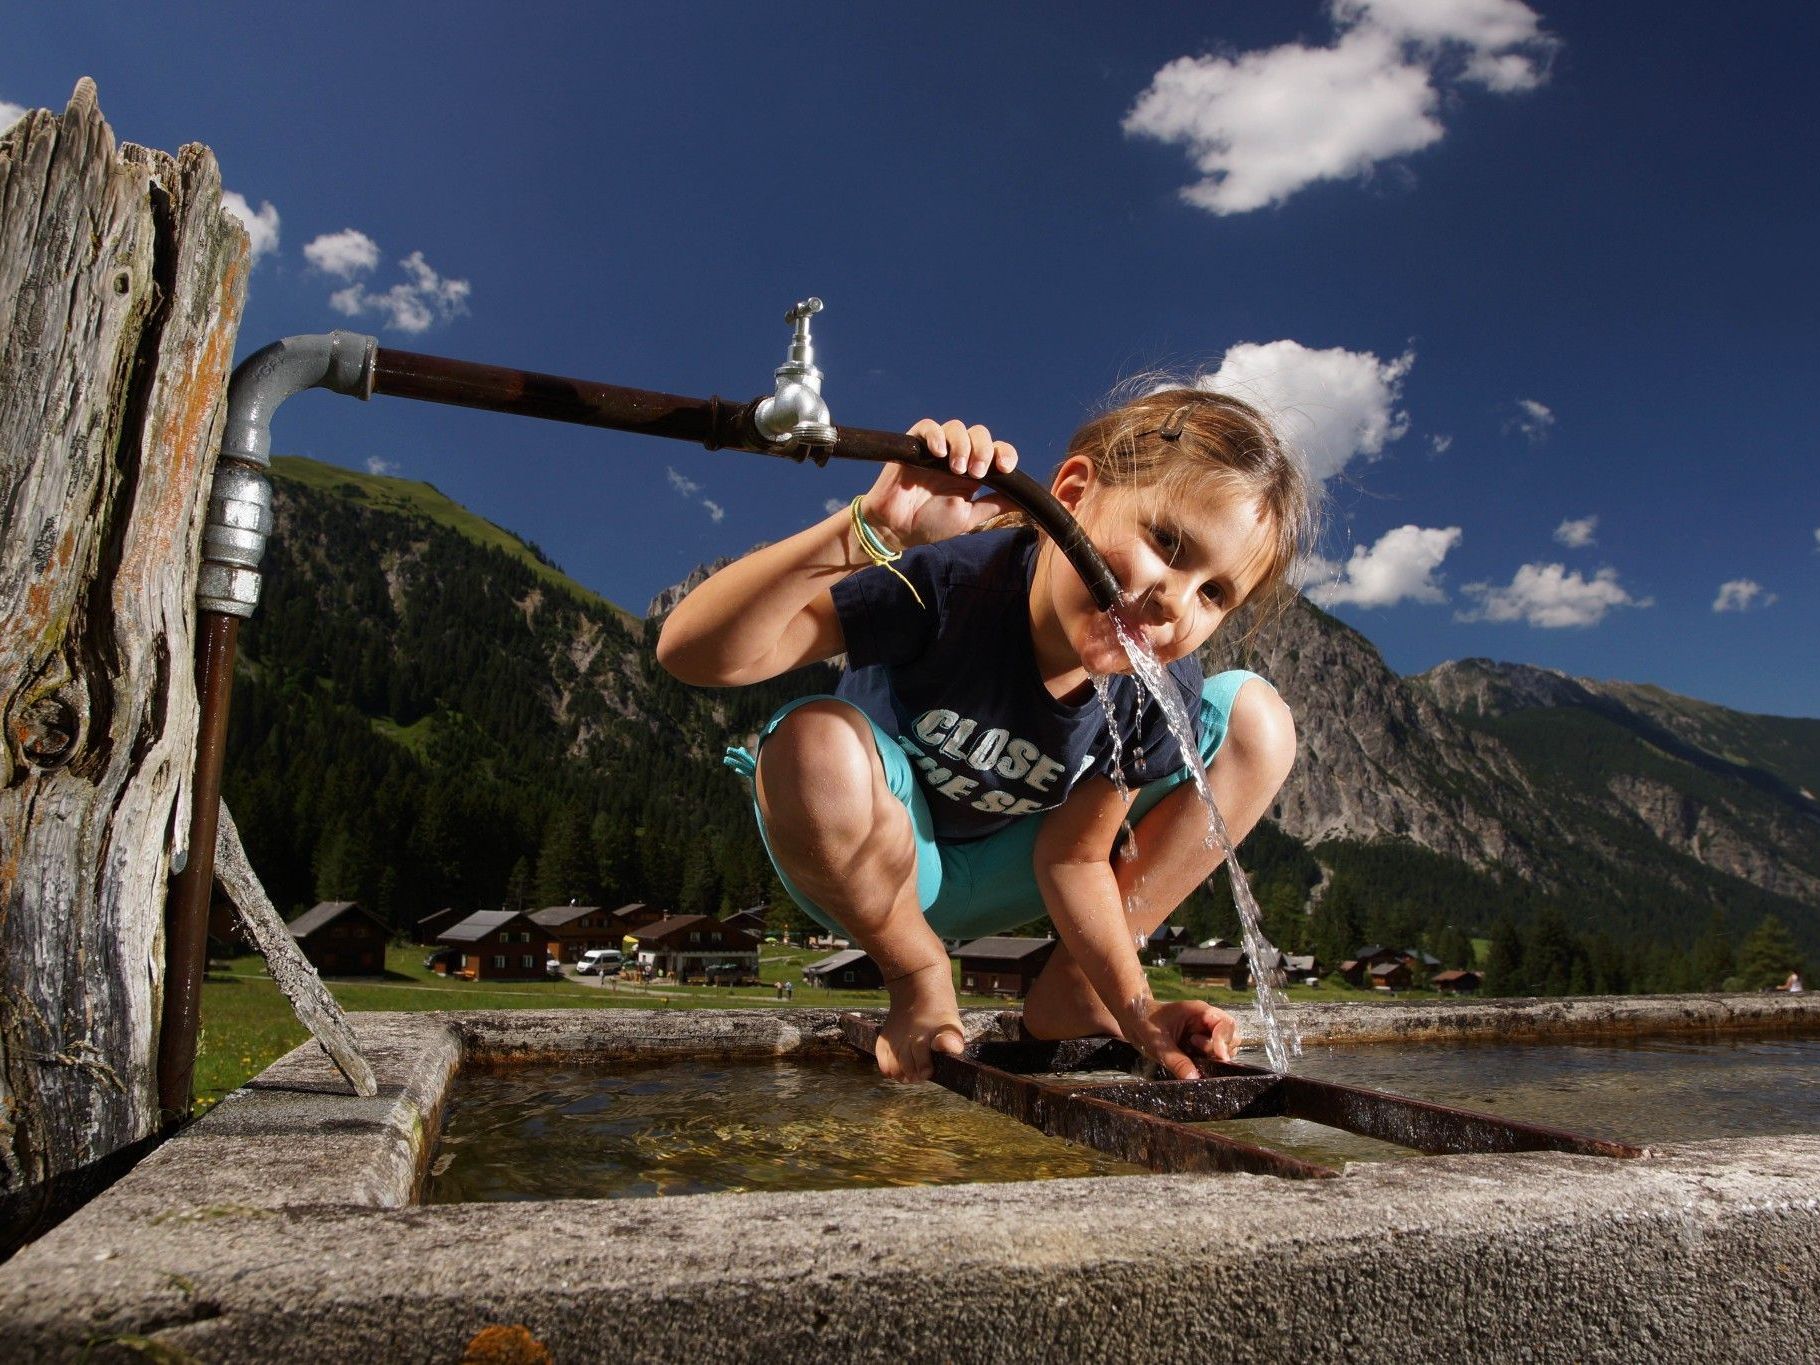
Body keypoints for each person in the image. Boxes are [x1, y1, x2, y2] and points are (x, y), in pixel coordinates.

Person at [657, 387, 1309, 1083]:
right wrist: (869, 529)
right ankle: (916, 970)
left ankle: (1076, 991)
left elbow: (1076, 859)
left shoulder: (1154, 687)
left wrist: (1135, 1005)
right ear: (1074, 494)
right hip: (868, 862)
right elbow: (693, 655)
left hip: (1015, 876)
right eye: (1167, 543)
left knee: (1258, 723)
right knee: (809, 740)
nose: (1175, 601)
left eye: (1214, 593)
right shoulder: (952, 582)